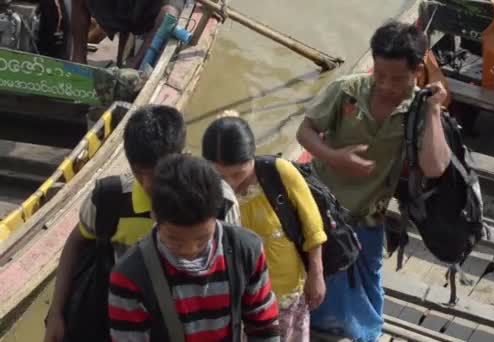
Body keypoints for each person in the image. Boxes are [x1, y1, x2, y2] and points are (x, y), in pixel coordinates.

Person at [296, 21, 451, 341]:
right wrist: (334, 156)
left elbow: (435, 167)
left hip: (369, 215)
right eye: (379, 75)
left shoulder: (420, 108)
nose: (386, 85)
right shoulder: (346, 91)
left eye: (398, 78)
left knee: (366, 286)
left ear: (417, 71)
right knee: (315, 280)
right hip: (322, 210)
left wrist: (435, 112)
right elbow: (305, 132)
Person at [43, 105, 240, 342]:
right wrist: (55, 313)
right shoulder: (110, 200)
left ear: (183, 156)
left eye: (157, 173)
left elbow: (235, 270)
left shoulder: (218, 201)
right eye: (138, 173)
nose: (148, 184)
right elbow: (76, 242)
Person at [109, 154, 280, 341]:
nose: (189, 250)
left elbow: (264, 326)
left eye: (202, 239)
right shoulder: (129, 275)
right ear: (154, 215)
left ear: (216, 215)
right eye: (175, 240)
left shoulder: (247, 251)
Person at [202, 115, 328, 341]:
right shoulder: (204, 187)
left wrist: (316, 274)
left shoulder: (279, 172)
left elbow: (313, 226)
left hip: (286, 290)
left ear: (252, 156)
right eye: (221, 176)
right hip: (240, 297)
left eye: (238, 173)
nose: (229, 184)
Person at [71, 0, 184, 68]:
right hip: (123, 10)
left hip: (149, 14)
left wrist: (136, 61)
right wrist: (78, 56)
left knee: (169, 13)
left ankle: (137, 61)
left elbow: (169, 13)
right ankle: (78, 59)